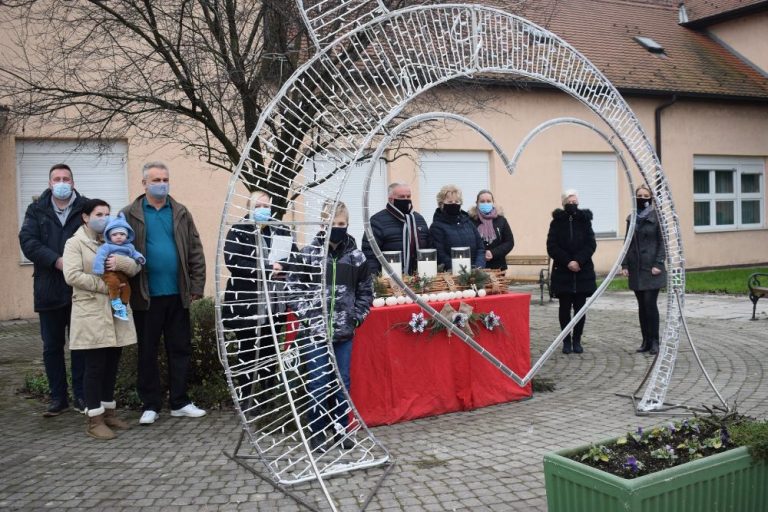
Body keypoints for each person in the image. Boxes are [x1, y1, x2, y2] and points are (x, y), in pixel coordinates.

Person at [122, 161, 207, 425]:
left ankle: (180, 402)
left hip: (178, 293)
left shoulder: (180, 211)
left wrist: (196, 285)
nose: (161, 184)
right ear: (144, 183)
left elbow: (195, 250)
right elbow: (118, 250)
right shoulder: (129, 214)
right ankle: (151, 404)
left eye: (165, 179)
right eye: (156, 180)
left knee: (179, 348)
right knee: (147, 351)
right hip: (146, 296)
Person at [289, 201, 373, 451]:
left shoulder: (356, 257)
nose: (336, 228)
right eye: (331, 224)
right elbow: (293, 288)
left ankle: (340, 430)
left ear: (347, 225)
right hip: (315, 333)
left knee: (342, 382)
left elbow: (366, 291)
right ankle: (316, 432)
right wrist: (308, 316)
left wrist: (357, 316)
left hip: (344, 333)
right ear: (322, 224)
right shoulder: (308, 254)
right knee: (317, 381)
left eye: (341, 224)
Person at [63, 199, 140, 440]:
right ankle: (94, 419)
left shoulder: (115, 239)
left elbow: (135, 266)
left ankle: (109, 413)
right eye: (99, 214)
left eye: (107, 213)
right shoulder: (75, 243)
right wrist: (106, 285)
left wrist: (122, 264)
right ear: (86, 217)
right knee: (94, 366)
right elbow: (72, 275)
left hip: (115, 311)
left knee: (111, 364)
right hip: (92, 312)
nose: (104, 218)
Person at [18, 163, 88, 416]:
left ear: (73, 182)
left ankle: (81, 396)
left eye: (66, 178)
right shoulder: (36, 209)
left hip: (80, 289)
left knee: (80, 345)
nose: (61, 182)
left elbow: (97, 237)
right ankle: (58, 398)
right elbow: (28, 242)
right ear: (50, 183)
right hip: (48, 288)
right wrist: (56, 260)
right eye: (57, 178)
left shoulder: (86, 208)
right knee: (51, 346)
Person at [222, 190, 296, 404]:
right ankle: (246, 397)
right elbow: (233, 261)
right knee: (247, 349)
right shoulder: (239, 230)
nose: (263, 210)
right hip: (247, 302)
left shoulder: (281, 229)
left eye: (266, 206)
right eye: (257, 206)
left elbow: (294, 256)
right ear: (249, 208)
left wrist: (284, 267)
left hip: (275, 302)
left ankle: (267, 395)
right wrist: (265, 267)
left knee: (270, 348)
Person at [546, 189, 597, 354]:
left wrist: (578, 260)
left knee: (580, 308)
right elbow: (552, 246)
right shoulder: (557, 222)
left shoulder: (585, 221)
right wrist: (568, 261)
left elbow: (591, 244)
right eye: (569, 202)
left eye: (575, 202)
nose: (572, 205)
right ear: (563, 203)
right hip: (563, 271)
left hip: (582, 272)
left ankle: (577, 340)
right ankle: (566, 340)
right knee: (564, 308)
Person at [621, 185, 666, 355]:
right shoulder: (632, 218)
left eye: (645, 195)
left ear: (651, 197)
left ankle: (655, 341)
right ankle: (645, 340)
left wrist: (658, 264)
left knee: (650, 304)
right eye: (639, 195)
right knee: (641, 306)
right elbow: (627, 243)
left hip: (652, 268)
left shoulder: (658, 217)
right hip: (636, 267)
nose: (642, 198)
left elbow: (663, 243)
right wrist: (624, 265)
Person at [361, 182, 431, 276]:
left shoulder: (418, 219)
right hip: (390, 279)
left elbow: (428, 247)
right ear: (390, 199)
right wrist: (377, 278)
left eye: (408, 196)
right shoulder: (377, 221)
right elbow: (370, 253)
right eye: (401, 197)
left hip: (419, 278)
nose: (406, 200)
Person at [92, 214, 146, 321]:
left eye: (122, 234)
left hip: (123, 275)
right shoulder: (107, 246)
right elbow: (100, 257)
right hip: (109, 272)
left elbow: (135, 253)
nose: (119, 236)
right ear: (109, 236)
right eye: (115, 234)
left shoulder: (129, 246)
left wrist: (140, 258)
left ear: (127, 235)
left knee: (127, 289)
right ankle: (116, 303)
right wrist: (98, 269)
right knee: (113, 283)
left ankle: (122, 309)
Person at [429, 184, 485, 272]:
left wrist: (479, 267)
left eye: (457, 201)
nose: (454, 204)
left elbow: (480, 248)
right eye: (450, 202)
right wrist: (461, 270)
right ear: (441, 204)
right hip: (453, 274)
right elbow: (440, 254)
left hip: (476, 273)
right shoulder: (436, 227)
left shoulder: (468, 223)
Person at [468, 189, 515, 270]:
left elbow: (509, 242)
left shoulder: (501, 220)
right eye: (482, 201)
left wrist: (493, 253)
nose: (485, 203)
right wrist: (480, 255)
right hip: (476, 266)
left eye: (488, 201)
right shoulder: (470, 220)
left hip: (498, 267)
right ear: (477, 203)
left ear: (493, 202)